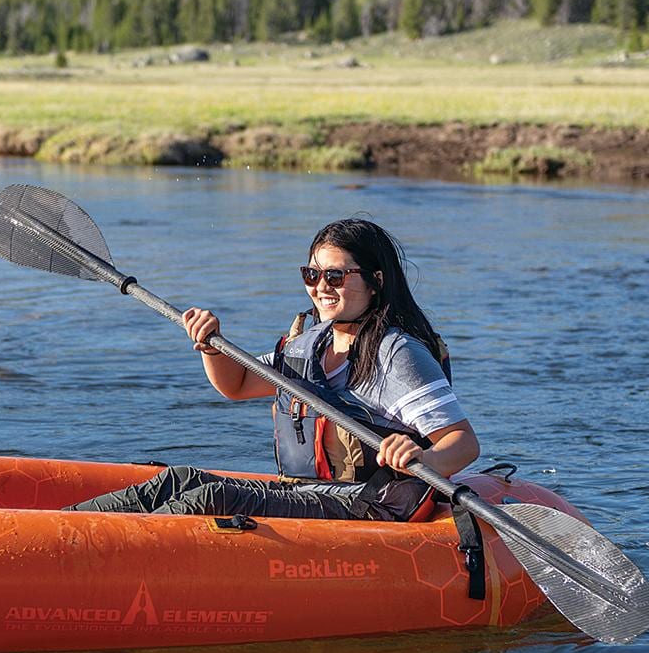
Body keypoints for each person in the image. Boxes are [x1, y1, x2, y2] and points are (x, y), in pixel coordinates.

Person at [66, 218, 478, 521]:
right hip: (305, 492)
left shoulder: (397, 354)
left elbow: (463, 443)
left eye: (335, 275)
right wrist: (210, 344)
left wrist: (421, 454)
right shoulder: (309, 344)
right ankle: (60, 528)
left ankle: (97, 553)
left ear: (375, 281)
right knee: (177, 480)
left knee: (211, 498)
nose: (321, 287)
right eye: (312, 274)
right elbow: (238, 384)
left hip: (365, 504)